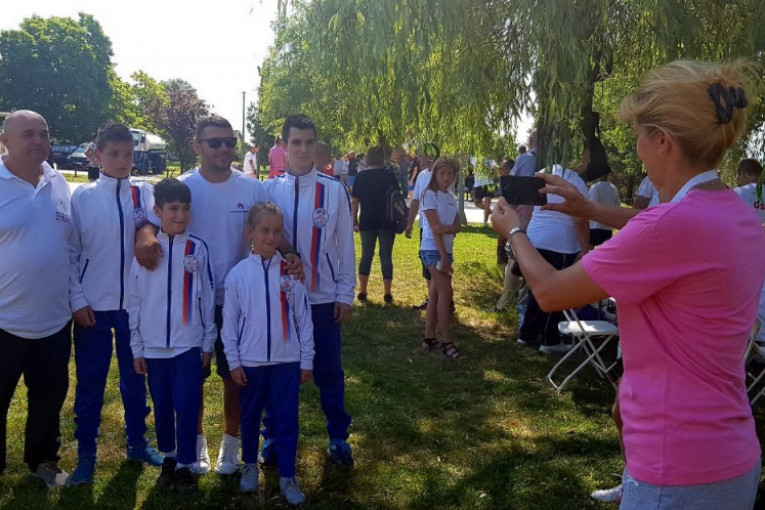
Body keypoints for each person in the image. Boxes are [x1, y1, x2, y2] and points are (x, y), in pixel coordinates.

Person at [492, 60, 762, 509]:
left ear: (664, 142)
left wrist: (514, 232)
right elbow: (662, 226)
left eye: (639, 136)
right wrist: (589, 210)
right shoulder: (740, 215)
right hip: (732, 457)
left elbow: (551, 291)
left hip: (675, 468)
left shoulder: (668, 227)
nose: (637, 149)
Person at [135, 115, 302, 476]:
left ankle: (231, 443)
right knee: (191, 378)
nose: (224, 148)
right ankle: (195, 443)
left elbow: (270, 228)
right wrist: (144, 236)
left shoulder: (251, 187)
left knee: (235, 375)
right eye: (215, 142)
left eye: (230, 142)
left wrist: (291, 254)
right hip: (190, 302)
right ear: (197, 146)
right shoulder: (183, 186)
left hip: (239, 299)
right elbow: (151, 219)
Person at [68, 122, 162, 486]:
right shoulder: (83, 197)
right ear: (98, 155)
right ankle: (86, 452)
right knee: (91, 381)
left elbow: (160, 229)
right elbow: (70, 252)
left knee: (136, 377)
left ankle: (137, 441)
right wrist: (77, 298)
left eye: (128, 154)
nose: (123, 161)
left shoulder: (145, 192)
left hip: (134, 309)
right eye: (114, 154)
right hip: (93, 307)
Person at [261, 113, 356, 467]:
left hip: (322, 298)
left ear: (316, 146)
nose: (303, 149)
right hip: (280, 299)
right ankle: (273, 436)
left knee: (328, 370)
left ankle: (338, 437)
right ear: (284, 146)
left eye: (309, 142)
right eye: (296, 142)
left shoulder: (334, 190)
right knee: (278, 369)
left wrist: (345, 293)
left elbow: (345, 245)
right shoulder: (268, 190)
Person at [0, 110, 75, 488]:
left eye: (43, 133)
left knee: (48, 398)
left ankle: (43, 461)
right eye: (28, 134)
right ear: (4, 141)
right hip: (4, 321)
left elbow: (70, 247)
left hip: (53, 320)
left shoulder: (59, 182)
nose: (38, 141)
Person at [222, 203, 314, 504]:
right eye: (264, 230)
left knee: (286, 420)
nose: (271, 237)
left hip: (286, 362)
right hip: (251, 363)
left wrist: (306, 359)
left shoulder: (291, 273)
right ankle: (249, 464)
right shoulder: (237, 276)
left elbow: (304, 319)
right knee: (249, 417)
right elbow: (230, 324)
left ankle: (287, 475)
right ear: (250, 233)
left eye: (276, 231)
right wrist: (234, 362)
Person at [128, 178, 215, 493]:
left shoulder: (197, 249)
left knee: (187, 403)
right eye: (173, 208)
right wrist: (137, 347)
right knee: (163, 404)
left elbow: (206, 298)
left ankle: (185, 464)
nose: (180, 215)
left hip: (188, 345)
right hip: (153, 347)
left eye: (185, 209)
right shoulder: (147, 251)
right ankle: (169, 456)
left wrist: (207, 342)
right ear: (158, 211)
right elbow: (135, 300)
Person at [515, 161, 589, 354]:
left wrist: (526, 233)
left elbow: (527, 209)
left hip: (536, 238)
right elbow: (580, 219)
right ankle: (549, 339)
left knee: (536, 288)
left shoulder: (539, 174)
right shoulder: (575, 180)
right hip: (561, 243)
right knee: (556, 289)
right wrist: (585, 250)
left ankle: (527, 333)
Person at [420, 157, 462, 359]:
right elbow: (435, 229)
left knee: (436, 295)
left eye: (449, 174)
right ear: (435, 174)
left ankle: (429, 337)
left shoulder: (451, 197)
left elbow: (458, 226)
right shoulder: (429, 194)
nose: (446, 177)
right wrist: (443, 257)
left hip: (447, 250)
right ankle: (447, 341)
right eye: (442, 173)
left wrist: (447, 229)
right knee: (446, 293)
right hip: (433, 250)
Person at [351, 145, 399, 303]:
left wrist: (354, 221)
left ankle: (363, 291)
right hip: (387, 221)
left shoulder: (361, 176)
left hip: (367, 220)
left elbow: (355, 202)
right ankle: (387, 293)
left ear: (368, 158)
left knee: (366, 255)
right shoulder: (389, 175)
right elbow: (397, 197)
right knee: (386, 256)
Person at [404, 143, 439, 310]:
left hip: (439, 229)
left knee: (438, 264)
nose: (418, 158)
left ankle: (441, 300)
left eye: (421, 156)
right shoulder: (422, 175)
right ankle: (433, 299)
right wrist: (410, 224)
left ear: (430, 156)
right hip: (424, 228)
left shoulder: (442, 175)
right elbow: (415, 201)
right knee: (426, 263)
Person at [588, 174, 621, 247]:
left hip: (595, 224)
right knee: (605, 249)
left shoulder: (595, 187)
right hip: (608, 225)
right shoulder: (613, 188)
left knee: (590, 248)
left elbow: (593, 205)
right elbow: (617, 206)